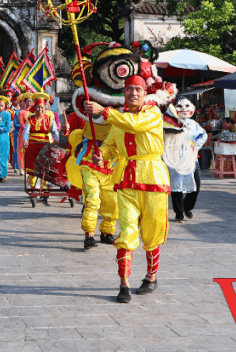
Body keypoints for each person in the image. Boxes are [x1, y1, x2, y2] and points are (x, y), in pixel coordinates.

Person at [85, 74, 169, 303]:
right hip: (126, 180)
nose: (133, 93)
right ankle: (124, 283)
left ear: (144, 94)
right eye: (129, 89)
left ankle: (151, 277)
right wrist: (101, 155)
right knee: (128, 230)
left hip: (153, 178)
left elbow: (136, 125)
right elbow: (111, 146)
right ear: (124, 92)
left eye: (138, 90)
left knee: (152, 230)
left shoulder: (152, 113)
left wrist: (103, 111)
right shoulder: (119, 119)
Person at [67, 105, 119, 250]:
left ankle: (107, 232)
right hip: (90, 162)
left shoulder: (121, 117)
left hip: (111, 165)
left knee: (113, 202)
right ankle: (89, 236)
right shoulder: (93, 114)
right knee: (92, 198)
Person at [168, 98, 207, 222]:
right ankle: (179, 212)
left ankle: (187, 206)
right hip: (175, 160)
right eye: (179, 106)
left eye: (187, 106)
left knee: (196, 185)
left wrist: (194, 145)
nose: (183, 108)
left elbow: (203, 135)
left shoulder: (194, 124)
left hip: (191, 159)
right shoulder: (169, 122)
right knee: (176, 187)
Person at [16, 93, 33, 175]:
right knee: (22, 151)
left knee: (30, 151)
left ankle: (29, 168)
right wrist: (28, 129)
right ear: (25, 102)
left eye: (31, 101)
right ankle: (22, 168)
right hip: (23, 133)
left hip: (32, 134)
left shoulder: (33, 112)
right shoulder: (21, 112)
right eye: (28, 101)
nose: (29, 103)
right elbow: (21, 123)